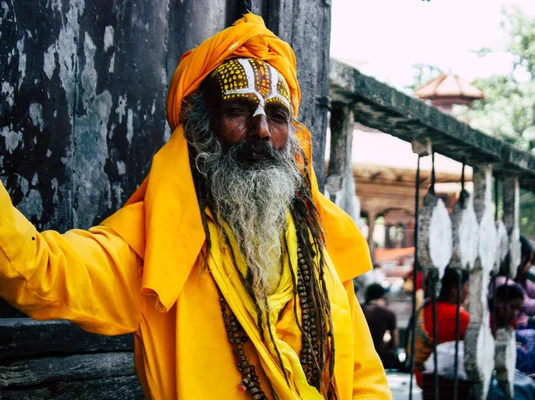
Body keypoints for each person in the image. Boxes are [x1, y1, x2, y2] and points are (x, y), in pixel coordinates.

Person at [0, 14, 391, 400]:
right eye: (238, 111)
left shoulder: (317, 240)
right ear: (202, 130)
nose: (260, 130)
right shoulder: (155, 244)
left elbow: (364, 377)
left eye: (276, 115)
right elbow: (38, 269)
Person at [409, 268, 470, 387]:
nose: (469, 291)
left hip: (422, 377)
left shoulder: (427, 305)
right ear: (454, 289)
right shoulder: (457, 315)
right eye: (467, 286)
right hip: (444, 381)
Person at [490, 284, 535, 379]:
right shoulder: (489, 318)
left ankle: (534, 373)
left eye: (518, 309)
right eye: (512, 307)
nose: (515, 312)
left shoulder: (511, 320)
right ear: (499, 302)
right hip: (491, 352)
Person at [496, 236, 535, 328]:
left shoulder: (519, 281)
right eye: (527, 261)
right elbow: (531, 308)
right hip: (512, 329)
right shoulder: (503, 282)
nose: (529, 265)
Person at [362, 283, 399, 369]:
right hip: (380, 358)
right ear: (382, 297)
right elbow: (395, 340)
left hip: (359, 356)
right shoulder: (388, 313)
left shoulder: (358, 310)